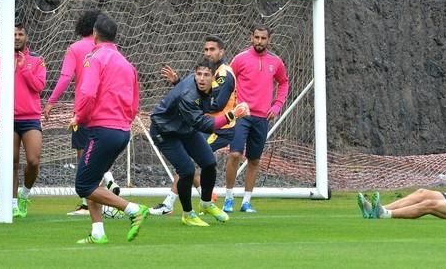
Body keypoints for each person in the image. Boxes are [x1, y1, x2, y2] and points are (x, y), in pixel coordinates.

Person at [71, 14, 148, 244]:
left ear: (94, 34)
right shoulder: (127, 64)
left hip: (101, 129)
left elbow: (87, 93)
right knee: (92, 180)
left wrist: (79, 117)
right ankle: (98, 232)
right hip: (122, 131)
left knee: (83, 185)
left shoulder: (94, 58)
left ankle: (133, 209)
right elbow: (135, 104)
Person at [150, 58, 249, 226]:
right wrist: (233, 115)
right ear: (194, 75)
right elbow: (204, 124)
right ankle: (187, 214)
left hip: (184, 127)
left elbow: (209, 107)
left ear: (213, 77)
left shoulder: (213, 86)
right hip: (164, 131)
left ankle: (206, 203)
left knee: (209, 163)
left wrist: (177, 82)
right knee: (187, 170)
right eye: (198, 74)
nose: (201, 78)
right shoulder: (190, 96)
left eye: (206, 75)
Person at [42, 10, 120, 216]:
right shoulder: (111, 50)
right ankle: (108, 179)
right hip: (109, 111)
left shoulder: (75, 48)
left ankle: (88, 203)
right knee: (97, 155)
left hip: (85, 110)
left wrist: (50, 102)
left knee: (84, 157)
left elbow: (66, 77)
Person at [223, 24, 289, 213]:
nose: (259, 41)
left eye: (263, 38)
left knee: (254, 160)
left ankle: (246, 201)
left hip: (262, 118)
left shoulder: (275, 62)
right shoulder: (240, 59)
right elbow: (227, 80)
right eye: (257, 37)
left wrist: (277, 105)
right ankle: (228, 198)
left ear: (269, 40)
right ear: (251, 37)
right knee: (234, 154)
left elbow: (283, 82)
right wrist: (230, 106)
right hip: (242, 116)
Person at [0, 21, 47, 218]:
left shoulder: (37, 61)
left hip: (30, 118)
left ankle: (25, 193)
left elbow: (39, 86)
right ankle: (13, 203)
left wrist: (24, 69)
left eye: (20, 34)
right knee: (12, 162)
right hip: (8, 118)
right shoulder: (0, 61)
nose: (17, 38)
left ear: (26, 37)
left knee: (33, 160)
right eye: (14, 34)